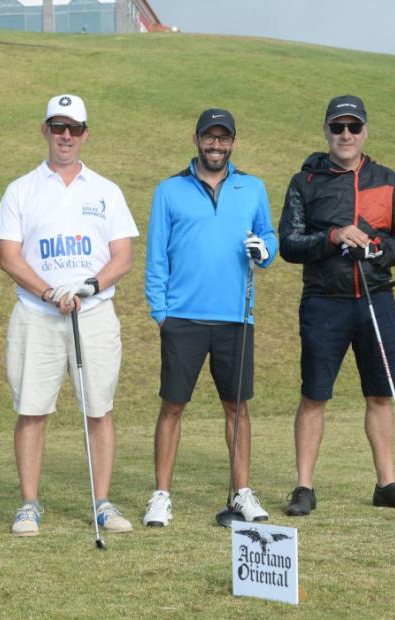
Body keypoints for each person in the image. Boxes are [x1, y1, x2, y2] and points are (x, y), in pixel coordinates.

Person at [0, 94, 139, 537]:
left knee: (99, 408)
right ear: (46, 131)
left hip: (93, 312)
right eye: (58, 127)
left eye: (74, 128)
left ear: (85, 134)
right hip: (37, 312)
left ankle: (103, 503)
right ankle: (29, 505)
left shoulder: (105, 190)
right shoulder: (21, 188)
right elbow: (8, 255)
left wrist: (90, 286)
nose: (66, 136)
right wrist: (49, 291)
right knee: (32, 409)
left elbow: (123, 256)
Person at [277, 95, 395, 517]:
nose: (345, 135)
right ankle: (304, 487)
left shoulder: (387, 179)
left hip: (376, 301)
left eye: (353, 127)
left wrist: (377, 249)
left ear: (365, 132)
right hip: (324, 303)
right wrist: (334, 237)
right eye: (337, 127)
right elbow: (289, 243)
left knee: (381, 395)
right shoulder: (305, 182)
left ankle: (386, 484)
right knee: (314, 395)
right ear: (325, 131)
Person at [142, 109, 278, 527]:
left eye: (223, 138)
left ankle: (241, 493)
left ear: (233, 142)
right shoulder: (169, 190)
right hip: (182, 316)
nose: (215, 145)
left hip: (236, 316)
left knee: (237, 407)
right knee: (173, 406)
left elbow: (269, 238)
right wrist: (160, 312)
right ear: (197, 138)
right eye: (209, 137)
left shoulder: (251, 187)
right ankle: (161, 495)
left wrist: (265, 252)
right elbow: (156, 255)